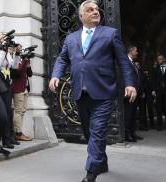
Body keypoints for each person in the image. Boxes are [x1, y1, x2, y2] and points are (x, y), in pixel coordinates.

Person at [49, 1, 137, 181]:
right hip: (80, 94)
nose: (95, 12)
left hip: (103, 92)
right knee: (89, 133)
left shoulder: (110, 34)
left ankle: (91, 173)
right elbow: (61, 59)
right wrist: (55, 75)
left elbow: (123, 62)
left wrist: (130, 83)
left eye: (96, 9)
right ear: (82, 16)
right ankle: (101, 161)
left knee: (97, 131)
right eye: (90, 10)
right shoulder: (71, 38)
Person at [11, 43, 33, 141]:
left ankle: (19, 131)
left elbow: (30, 74)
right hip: (18, 88)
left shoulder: (24, 59)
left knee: (23, 111)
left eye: (21, 47)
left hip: (25, 88)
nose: (20, 49)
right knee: (18, 111)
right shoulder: (14, 59)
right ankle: (18, 133)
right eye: (18, 48)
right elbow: (18, 73)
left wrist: (28, 61)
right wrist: (24, 60)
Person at [124, 46, 143, 142]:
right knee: (128, 114)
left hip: (135, 94)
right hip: (129, 93)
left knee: (133, 114)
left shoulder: (133, 63)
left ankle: (132, 133)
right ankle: (127, 135)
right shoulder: (125, 62)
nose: (137, 52)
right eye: (136, 50)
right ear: (130, 50)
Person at [151, 54, 166, 131]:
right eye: (158, 59)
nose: (159, 60)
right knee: (159, 109)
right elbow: (153, 80)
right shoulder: (155, 69)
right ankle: (159, 126)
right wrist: (154, 90)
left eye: (160, 59)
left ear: (164, 59)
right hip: (159, 91)